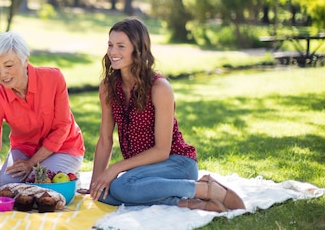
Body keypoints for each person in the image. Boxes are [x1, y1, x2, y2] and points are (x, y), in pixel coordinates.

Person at [89, 18, 245, 212]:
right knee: (103, 195)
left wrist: (115, 168)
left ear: (137, 49)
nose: (113, 52)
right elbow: (105, 140)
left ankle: (205, 189)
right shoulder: (108, 87)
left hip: (177, 164)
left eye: (121, 46)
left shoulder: (159, 87)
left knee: (121, 187)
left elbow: (162, 151)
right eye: (110, 45)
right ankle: (187, 202)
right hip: (143, 172)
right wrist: (94, 184)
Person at [0, 31, 85, 196]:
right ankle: (60, 177)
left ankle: (71, 179)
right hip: (25, 149)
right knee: (7, 185)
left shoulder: (53, 78)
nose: (2, 74)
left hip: (65, 147)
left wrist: (32, 163)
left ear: (25, 60)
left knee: (38, 181)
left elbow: (63, 127)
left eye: (9, 65)